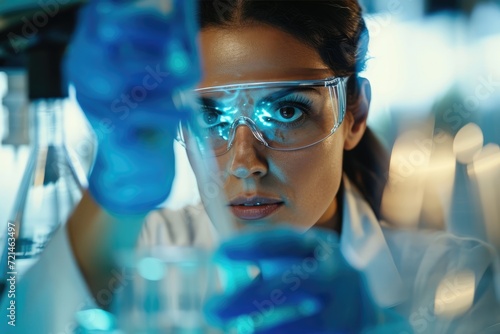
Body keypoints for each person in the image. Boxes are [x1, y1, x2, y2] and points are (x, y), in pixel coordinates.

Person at [2, 1, 499, 333]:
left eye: (286, 111)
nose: (245, 163)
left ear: (354, 115)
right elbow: (25, 322)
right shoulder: (144, 255)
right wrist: (118, 188)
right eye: (209, 114)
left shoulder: (452, 278)